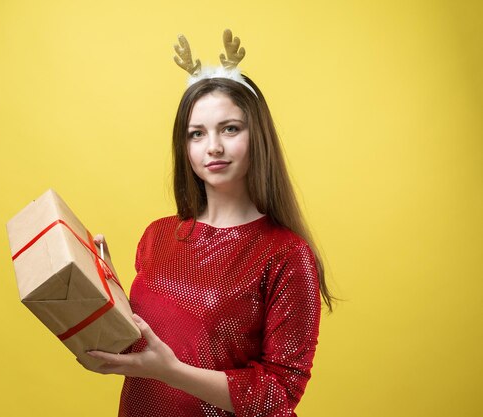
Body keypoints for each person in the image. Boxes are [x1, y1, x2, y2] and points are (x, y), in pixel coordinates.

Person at [86, 30, 335, 417]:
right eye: (197, 134)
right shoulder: (158, 235)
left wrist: (172, 372)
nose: (212, 147)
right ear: (184, 147)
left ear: (258, 137)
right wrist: (105, 297)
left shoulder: (287, 254)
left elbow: (278, 397)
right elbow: (148, 348)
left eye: (230, 129)